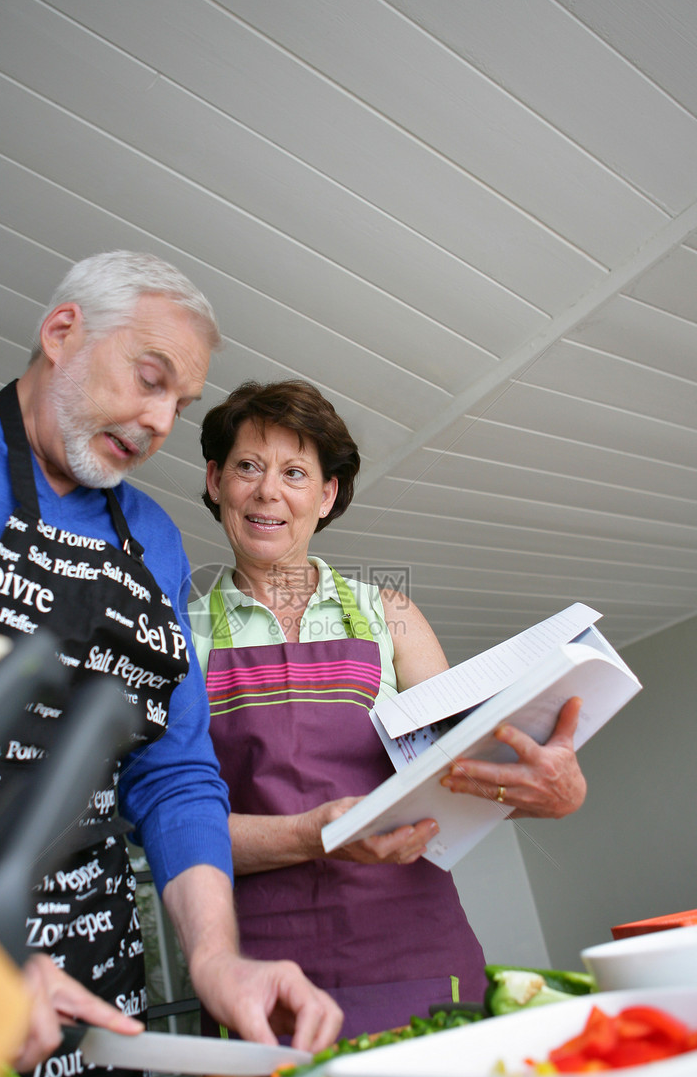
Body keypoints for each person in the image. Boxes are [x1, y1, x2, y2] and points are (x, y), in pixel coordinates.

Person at [0, 256, 342, 1077]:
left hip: (94, 1006)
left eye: (180, 405)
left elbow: (176, 773)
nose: (159, 422)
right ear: (61, 332)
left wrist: (216, 956)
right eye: (148, 379)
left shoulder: (154, 539)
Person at [188, 379, 587, 1039]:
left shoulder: (389, 614)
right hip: (258, 971)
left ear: (326, 495)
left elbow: (459, 771)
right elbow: (174, 822)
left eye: (294, 472)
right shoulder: (181, 632)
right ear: (214, 481)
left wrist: (550, 791)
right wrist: (307, 835)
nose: (268, 492)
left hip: (416, 948)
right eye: (247, 468)